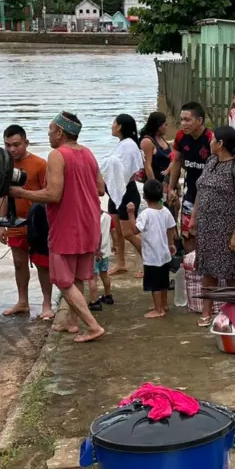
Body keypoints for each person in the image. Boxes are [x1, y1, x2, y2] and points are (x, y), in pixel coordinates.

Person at [9, 112, 106, 343]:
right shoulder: (88, 153)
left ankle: (92, 326)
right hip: (90, 222)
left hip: (67, 225)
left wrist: (21, 192)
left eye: (50, 130)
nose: (49, 135)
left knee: (62, 280)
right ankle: (71, 323)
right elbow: (101, 189)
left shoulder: (57, 155)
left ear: (60, 133)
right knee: (78, 277)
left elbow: (53, 194)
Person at [190, 127, 235, 327]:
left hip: (228, 229)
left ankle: (233, 314)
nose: (210, 142)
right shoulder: (211, 162)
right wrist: (193, 217)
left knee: (232, 273)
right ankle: (207, 312)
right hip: (207, 228)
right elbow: (201, 191)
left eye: (213, 139)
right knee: (208, 271)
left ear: (221, 144)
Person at [0, 125, 52, 319]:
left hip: (37, 224)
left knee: (42, 264)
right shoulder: (4, 164)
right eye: (7, 145)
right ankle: (23, 301)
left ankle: (47, 303)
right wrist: (2, 224)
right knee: (19, 263)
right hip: (14, 223)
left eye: (16, 145)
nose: (12, 150)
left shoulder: (40, 164)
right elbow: (1, 195)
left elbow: (50, 194)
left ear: (26, 143)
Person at [165, 102, 214, 253]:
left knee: (208, 235)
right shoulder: (180, 136)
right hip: (190, 193)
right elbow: (177, 161)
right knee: (188, 234)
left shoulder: (210, 139)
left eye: (187, 120)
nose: (183, 124)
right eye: (181, 120)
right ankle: (190, 269)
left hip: (210, 195)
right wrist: (171, 188)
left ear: (199, 121)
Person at [125, 180, 177, 319]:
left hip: (152, 256)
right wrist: (171, 244)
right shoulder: (165, 210)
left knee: (154, 284)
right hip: (164, 254)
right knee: (164, 281)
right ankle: (164, 304)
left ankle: (159, 309)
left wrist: (130, 213)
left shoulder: (145, 214)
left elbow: (135, 230)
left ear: (144, 197)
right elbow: (171, 227)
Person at [105, 114, 144, 276]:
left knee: (128, 233)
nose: (112, 125)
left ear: (119, 126)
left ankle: (150, 262)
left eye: (114, 122)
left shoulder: (128, 145)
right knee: (118, 232)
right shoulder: (122, 144)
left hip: (127, 194)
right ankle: (121, 262)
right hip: (115, 194)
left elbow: (127, 171)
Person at [88, 210, 114, 311]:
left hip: (94, 253)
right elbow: (113, 231)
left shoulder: (90, 216)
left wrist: (97, 251)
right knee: (104, 274)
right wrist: (115, 244)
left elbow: (97, 234)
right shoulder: (108, 216)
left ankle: (94, 302)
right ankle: (108, 296)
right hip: (105, 252)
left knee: (92, 278)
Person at [139, 112, 172, 183]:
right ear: (159, 127)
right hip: (156, 183)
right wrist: (154, 187)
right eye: (165, 125)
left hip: (167, 183)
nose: (167, 127)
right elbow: (147, 166)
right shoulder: (147, 141)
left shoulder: (161, 138)